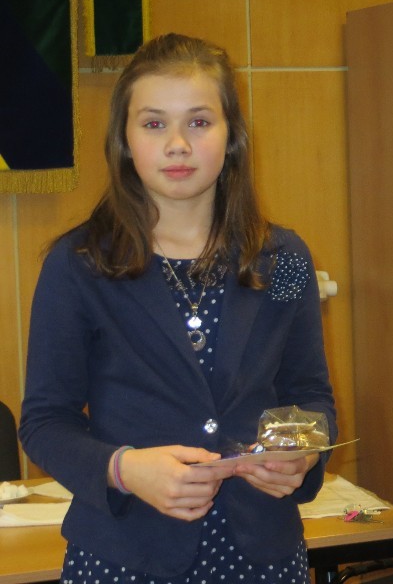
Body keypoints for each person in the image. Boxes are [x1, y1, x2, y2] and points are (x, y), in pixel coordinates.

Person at [19, 33, 337, 583]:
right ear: (124, 140)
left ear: (232, 136)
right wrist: (124, 469)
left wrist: (301, 452)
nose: (177, 145)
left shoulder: (284, 258)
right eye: (153, 124)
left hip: (263, 555)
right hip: (124, 556)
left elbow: (309, 395)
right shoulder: (79, 264)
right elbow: (46, 421)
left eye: (199, 122)